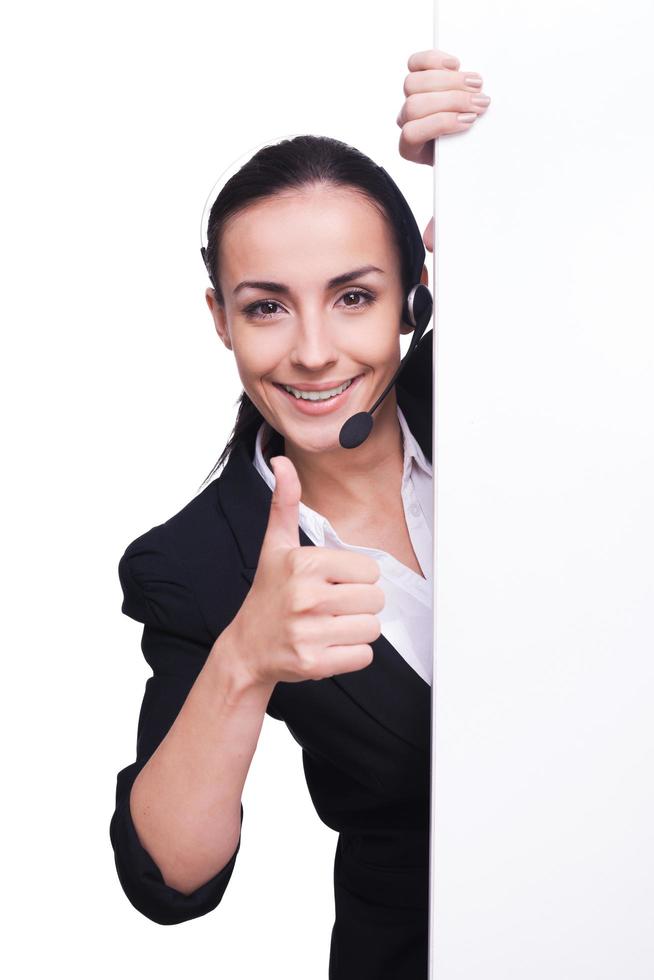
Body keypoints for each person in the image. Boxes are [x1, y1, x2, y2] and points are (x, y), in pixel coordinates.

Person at [109, 48, 490, 980]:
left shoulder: (505, 388)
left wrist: (497, 164)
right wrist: (246, 656)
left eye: (354, 297)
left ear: (412, 296)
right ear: (221, 318)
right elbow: (170, 879)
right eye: (268, 307)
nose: (314, 352)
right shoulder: (198, 562)